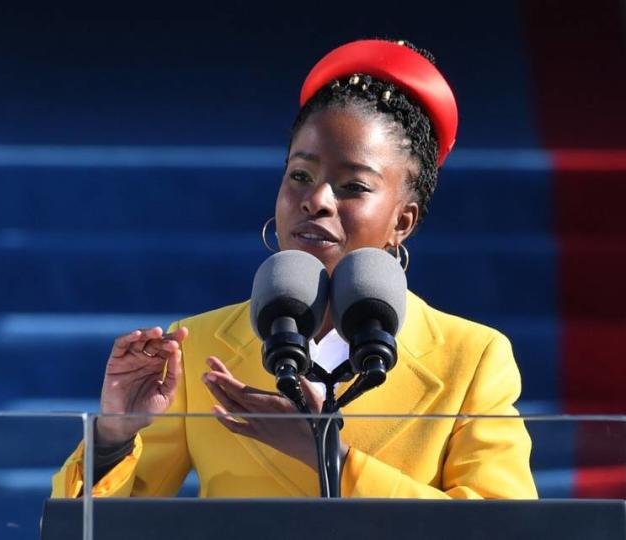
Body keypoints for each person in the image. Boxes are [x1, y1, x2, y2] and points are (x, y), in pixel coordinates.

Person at [51, 38, 538, 499]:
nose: (316, 200)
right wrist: (114, 436)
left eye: (353, 187)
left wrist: (329, 455)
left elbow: (501, 525)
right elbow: (100, 525)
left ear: (402, 221)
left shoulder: (472, 359)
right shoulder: (195, 347)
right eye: (300, 176)